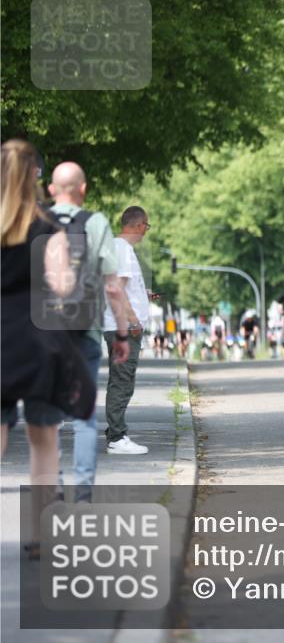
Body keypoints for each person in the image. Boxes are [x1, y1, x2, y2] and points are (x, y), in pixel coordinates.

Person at [2, 139, 95, 554]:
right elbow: (62, 285)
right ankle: (39, 535)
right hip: (38, 341)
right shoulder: (48, 226)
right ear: (35, 177)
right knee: (43, 438)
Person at [48, 161, 131, 501]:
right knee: (84, 415)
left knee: (48, 415)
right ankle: (83, 494)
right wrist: (122, 334)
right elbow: (113, 286)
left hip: (42, 332)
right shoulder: (96, 224)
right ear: (83, 189)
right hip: (85, 330)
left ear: (51, 190)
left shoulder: (34, 221)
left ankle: (53, 488)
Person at [102, 205, 153, 455]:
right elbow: (116, 288)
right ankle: (117, 437)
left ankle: (116, 434)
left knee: (120, 380)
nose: (146, 231)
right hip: (121, 327)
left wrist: (142, 294)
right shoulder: (122, 249)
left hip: (117, 324)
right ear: (139, 225)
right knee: (122, 382)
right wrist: (132, 321)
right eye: (146, 226)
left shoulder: (118, 248)